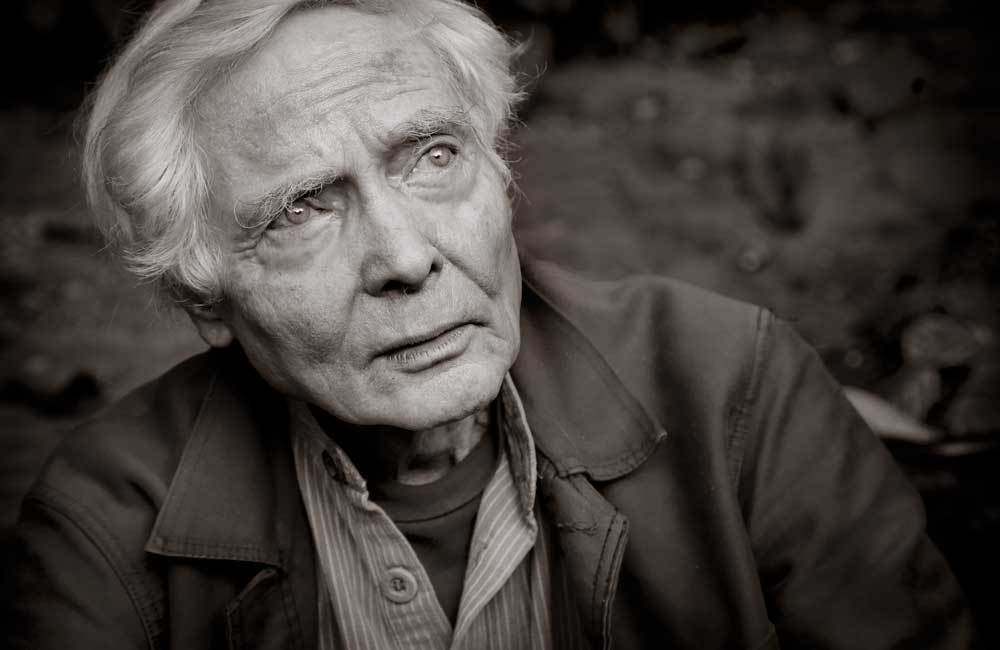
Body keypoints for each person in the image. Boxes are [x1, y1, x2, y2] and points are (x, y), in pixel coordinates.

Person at [6, 1, 974, 648]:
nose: (405, 257)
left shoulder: (736, 385)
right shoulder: (106, 527)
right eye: (302, 208)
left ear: (500, 172)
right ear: (206, 300)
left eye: (432, 156)